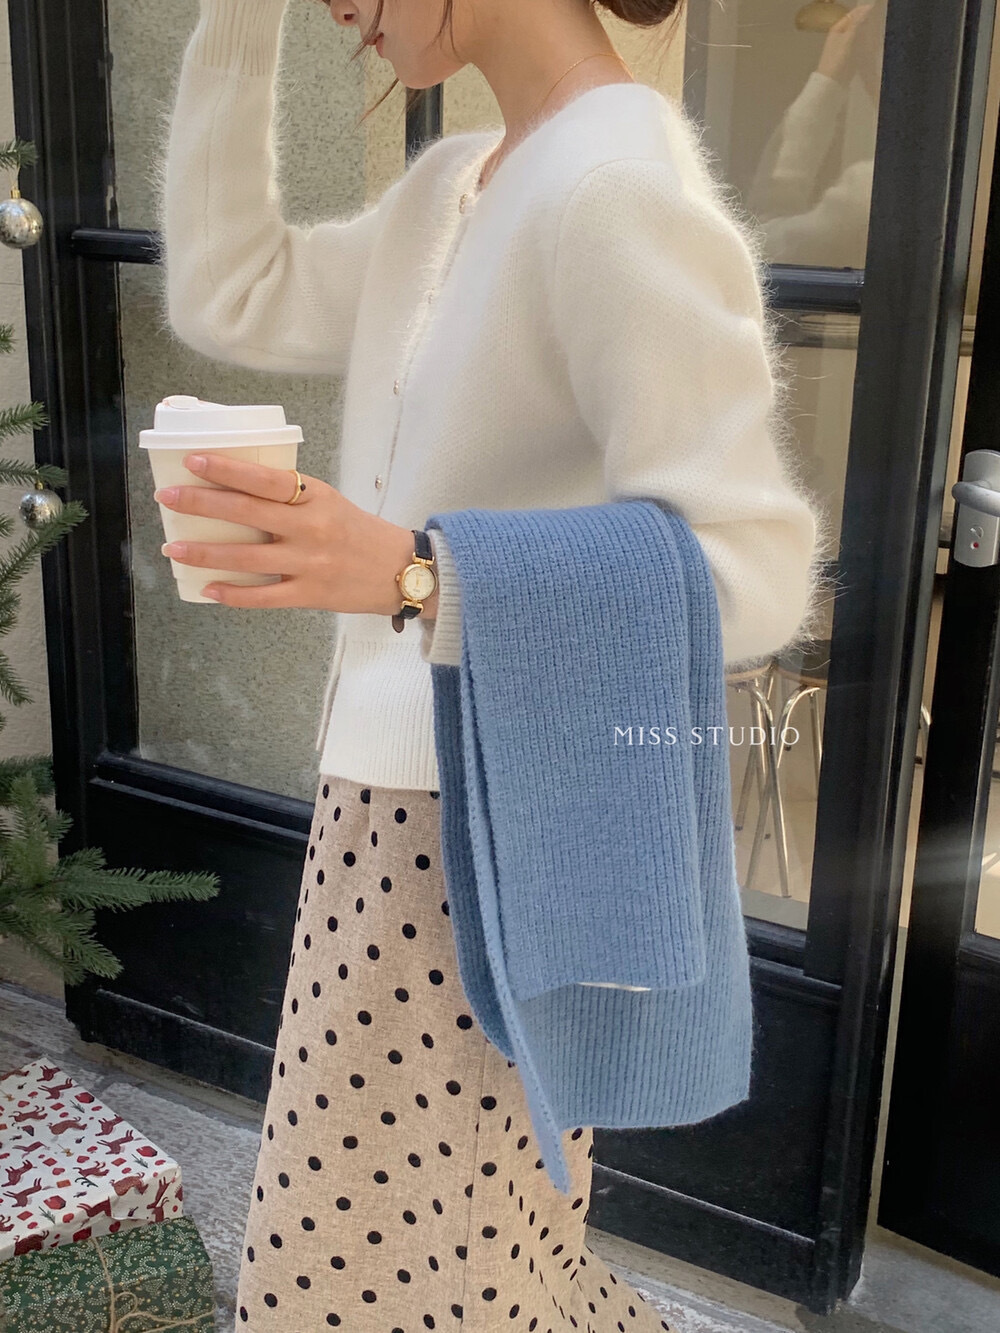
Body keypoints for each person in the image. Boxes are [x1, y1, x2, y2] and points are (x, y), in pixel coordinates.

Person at [158, 1, 827, 1328]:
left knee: (419, 1285)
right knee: (374, 1263)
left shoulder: (616, 188)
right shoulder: (456, 186)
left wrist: (421, 571)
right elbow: (228, 286)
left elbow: (754, 569)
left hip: (481, 841)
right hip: (384, 816)